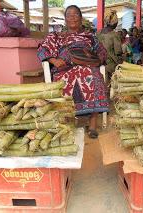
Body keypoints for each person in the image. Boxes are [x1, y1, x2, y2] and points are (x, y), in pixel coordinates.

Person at [37, 5, 109, 139]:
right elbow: (42, 50)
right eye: (69, 15)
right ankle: (66, 121)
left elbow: (102, 52)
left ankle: (92, 125)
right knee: (67, 78)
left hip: (87, 66)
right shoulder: (56, 36)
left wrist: (96, 59)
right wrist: (53, 60)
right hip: (64, 68)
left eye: (76, 14)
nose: (73, 18)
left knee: (94, 75)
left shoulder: (90, 37)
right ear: (65, 20)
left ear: (81, 18)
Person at [97, 10, 122, 82]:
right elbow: (118, 52)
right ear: (114, 22)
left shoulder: (98, 33)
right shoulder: (114, 35)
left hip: (98, 64)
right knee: (110, 87)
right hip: (111, 66)